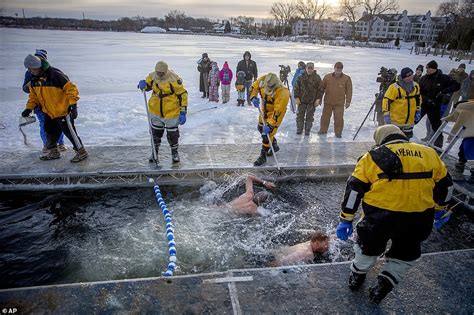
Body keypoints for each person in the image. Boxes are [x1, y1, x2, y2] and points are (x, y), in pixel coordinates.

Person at [336, 125, 453, 304]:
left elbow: (354, 190)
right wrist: (440, 209)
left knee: (368, 248)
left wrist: (346, 219)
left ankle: (357, 277)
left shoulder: (371, 157)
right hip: (419, 217)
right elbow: (446, 186)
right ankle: (384, 284)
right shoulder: (429, 154)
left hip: (380, 218)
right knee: (405, 253)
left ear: (381, 139)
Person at [21, 54, 87, 162]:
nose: (30, 71)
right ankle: (53, 152)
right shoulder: (34, 80)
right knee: (49, 132)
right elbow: (33, 96)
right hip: (49, 112)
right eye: (28, 69)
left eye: (32, 69)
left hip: (63, 111)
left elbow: (71, 89)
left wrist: (73, 105)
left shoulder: (55, 75)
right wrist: (29, 108)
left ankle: (81, 152)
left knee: (69, 132)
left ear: (39, 66)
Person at [137, 61, 188, 163]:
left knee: (172, 135)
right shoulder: (152, 76)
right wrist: (143, 85)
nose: (159, 74)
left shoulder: (174, 79)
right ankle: (154, 152)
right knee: (155, 133)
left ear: (165, 72)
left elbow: (183, 94)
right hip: (155, 110)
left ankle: (174, 153)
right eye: (158, 72)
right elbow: (147, 86)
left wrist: (183, 112)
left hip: (171, 111)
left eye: (161, 73)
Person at [22, 49, 67, 153]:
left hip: (52, 105)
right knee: (44, 125)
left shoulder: (51, 71)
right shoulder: (29, 73)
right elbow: (25, 89)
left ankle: (60, 144)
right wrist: (30, 85)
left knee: (57, 125)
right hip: (39, 105)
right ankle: (47, 145)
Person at [249, 73, 289, 166]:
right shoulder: (263, 80)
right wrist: (253, 97)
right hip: (265, 111)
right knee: (260, 128)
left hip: (276, 114)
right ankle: (274, 144)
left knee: (266, 134)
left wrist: (271, 124)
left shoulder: (283, 92)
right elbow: (254, 87)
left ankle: (263, 155)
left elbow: (278, 111)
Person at [418, 60, 460, 148]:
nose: (427, 70)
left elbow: (457, 85)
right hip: (424, 104)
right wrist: (424, 99)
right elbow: (418, 91)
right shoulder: (423, 78)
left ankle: (438, 145)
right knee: (413, 120)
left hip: (435, 106)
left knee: (436, 126)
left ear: (434, 68)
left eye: (429, 68)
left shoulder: (443, 78)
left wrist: (444, 91)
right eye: (427, 68)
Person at [382, 67, 422, 139]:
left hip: (409, 120)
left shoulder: (416, 86)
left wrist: (418, 110)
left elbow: (418, 99)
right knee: (393, 139)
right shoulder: (394, 87)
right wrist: (386, 114)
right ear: (403, 78)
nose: (411, 78)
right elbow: (386, 100)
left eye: (411, 75)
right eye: (408, 77)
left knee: (407, 138)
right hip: (396, 121)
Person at [318, 61, 353, 138]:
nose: (338, 69)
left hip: (339, 103)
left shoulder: (347, 78)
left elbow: (349, 91)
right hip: (328, 102)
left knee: (339, 119)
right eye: (337, 68)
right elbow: (321, 89)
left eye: (340, 68)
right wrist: (319, 98)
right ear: (334, 68)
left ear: (342, 69)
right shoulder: (327, 77)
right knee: (325, 118)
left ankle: (338, 133)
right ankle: (323, 130)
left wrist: (348, 101)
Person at [442, 100, 474, 173]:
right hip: (470, 135)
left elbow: (455, 116)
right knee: (466, 145)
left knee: (466, 146)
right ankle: (461, 161)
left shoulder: (464, 106)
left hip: (469, 134)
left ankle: (461, 161)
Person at [294, 62, 323, 135]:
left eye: (311, 68)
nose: (309, 70)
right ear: (306, 68)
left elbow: (321, 89)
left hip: (312, 101)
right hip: (302, 101)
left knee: (309, 117)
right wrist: (296, 97)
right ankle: (299, 129)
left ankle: (307, 130)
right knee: (300, 116)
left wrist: (318, 99)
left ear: (313, 69)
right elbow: (296, 88)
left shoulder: (317, 78)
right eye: (308, 68)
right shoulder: (301, 77)